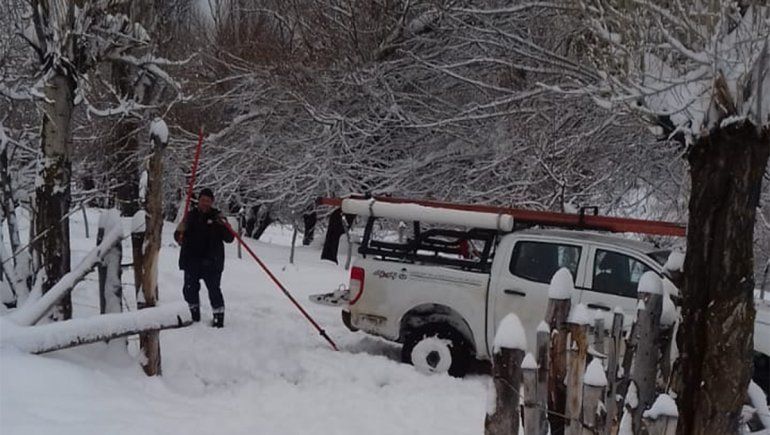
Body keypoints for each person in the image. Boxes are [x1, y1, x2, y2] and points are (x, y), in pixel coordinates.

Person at [174, 188, 234, 327]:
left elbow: (230, 238)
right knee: (189, 290)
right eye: (203, 200)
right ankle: (194, 315)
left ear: (212, 202)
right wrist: (180, 234)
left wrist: (225, 226)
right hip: (192, 260)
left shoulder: (217, 217)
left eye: (208, 201)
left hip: (212, 262)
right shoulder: (190, 216)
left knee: (214, 290)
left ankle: (219, 318)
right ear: (199, 201)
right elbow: (178, 236)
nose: (205, 203)